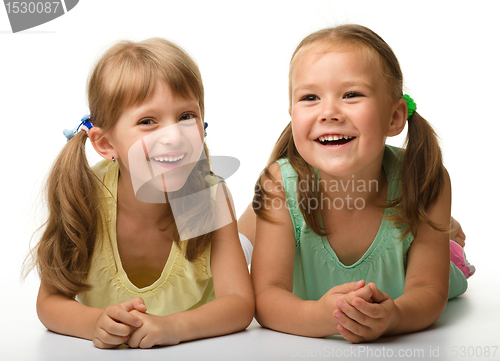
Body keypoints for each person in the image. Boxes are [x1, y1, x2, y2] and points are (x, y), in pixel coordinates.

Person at [241, 24, 474, 343]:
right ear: (292, 113)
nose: (329, 112)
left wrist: (395, 317)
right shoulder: (278, 184)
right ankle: (441, 229)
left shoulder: (426, 180)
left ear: (394, 117)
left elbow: (429, 290)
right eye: (310, 97)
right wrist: (318, 318)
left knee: (449, 265)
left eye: (351, 95)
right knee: (246, 227)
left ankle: (449, 245)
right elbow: (267, 296)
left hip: (422, 266)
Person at [26, 38, 254, 349]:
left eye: (186, 116)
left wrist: (174, 327)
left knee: (247, 240)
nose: (173, 136)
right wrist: (94, 323)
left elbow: (240, 304)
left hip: (220, 249)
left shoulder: (207, 197)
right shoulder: (85, 196)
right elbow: (50, 301)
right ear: (106, 144)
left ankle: (256, 217)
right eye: (148, 121)